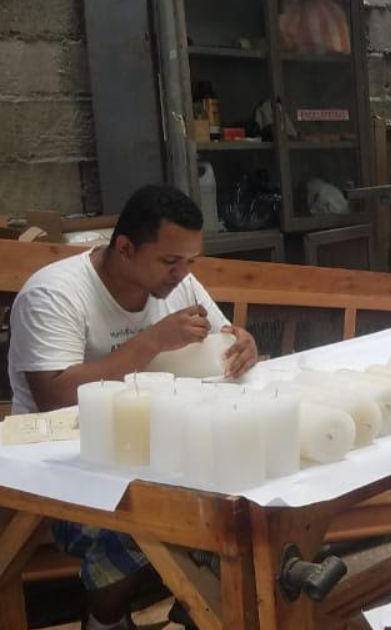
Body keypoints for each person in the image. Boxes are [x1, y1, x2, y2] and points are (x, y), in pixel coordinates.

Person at [7, 184, 259, 630]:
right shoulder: (55, 293)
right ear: (124, 248)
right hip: (63, 464)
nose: (182, 274)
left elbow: (222, 338)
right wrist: (152, 341)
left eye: (191, 262)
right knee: (156, 523)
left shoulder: (177, 282)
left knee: (247, 495)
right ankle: (106, 618)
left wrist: (243, 345)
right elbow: (55, 397)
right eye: (169, 261)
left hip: (153, 448)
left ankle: (204, 606)